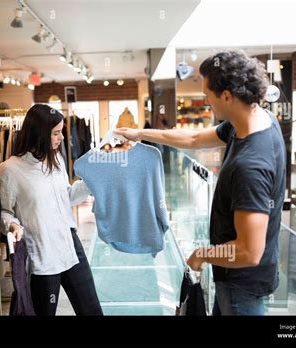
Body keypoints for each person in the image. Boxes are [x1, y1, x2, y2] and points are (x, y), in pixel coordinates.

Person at [115, 50, 286, 316]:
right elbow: (193, 139)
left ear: (227, 96)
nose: (206, 100)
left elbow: (250, 251)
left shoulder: (251, 166)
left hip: (243, 284)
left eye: (207, 94)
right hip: (236, 279)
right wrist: (139, 134)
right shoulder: (256, 120)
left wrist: (203, 254)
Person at [0, 104, 103, 316]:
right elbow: (3, 212)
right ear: (40, 133)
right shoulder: (10, 170)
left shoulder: (56, 161)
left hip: (70, 247)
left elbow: (68, 196)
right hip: (42, 256)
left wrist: (93, 179)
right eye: (56, 133)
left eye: (61, 132)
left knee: (92, 311)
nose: (61, 138)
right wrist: (13, 225)